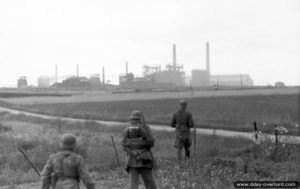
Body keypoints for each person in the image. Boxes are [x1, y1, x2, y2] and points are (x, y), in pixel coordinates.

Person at [121, 110, 157, 189]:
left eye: (137, 120)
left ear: (141, 120)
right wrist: (133, 152)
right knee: (133, 185)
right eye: (134, 120)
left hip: (145, 159)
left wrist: (143, 133)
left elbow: (151, 142)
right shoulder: (128, 130)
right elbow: (123, 144)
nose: (135, 122)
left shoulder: (146, 128)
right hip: (132, 160)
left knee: (150, 182)